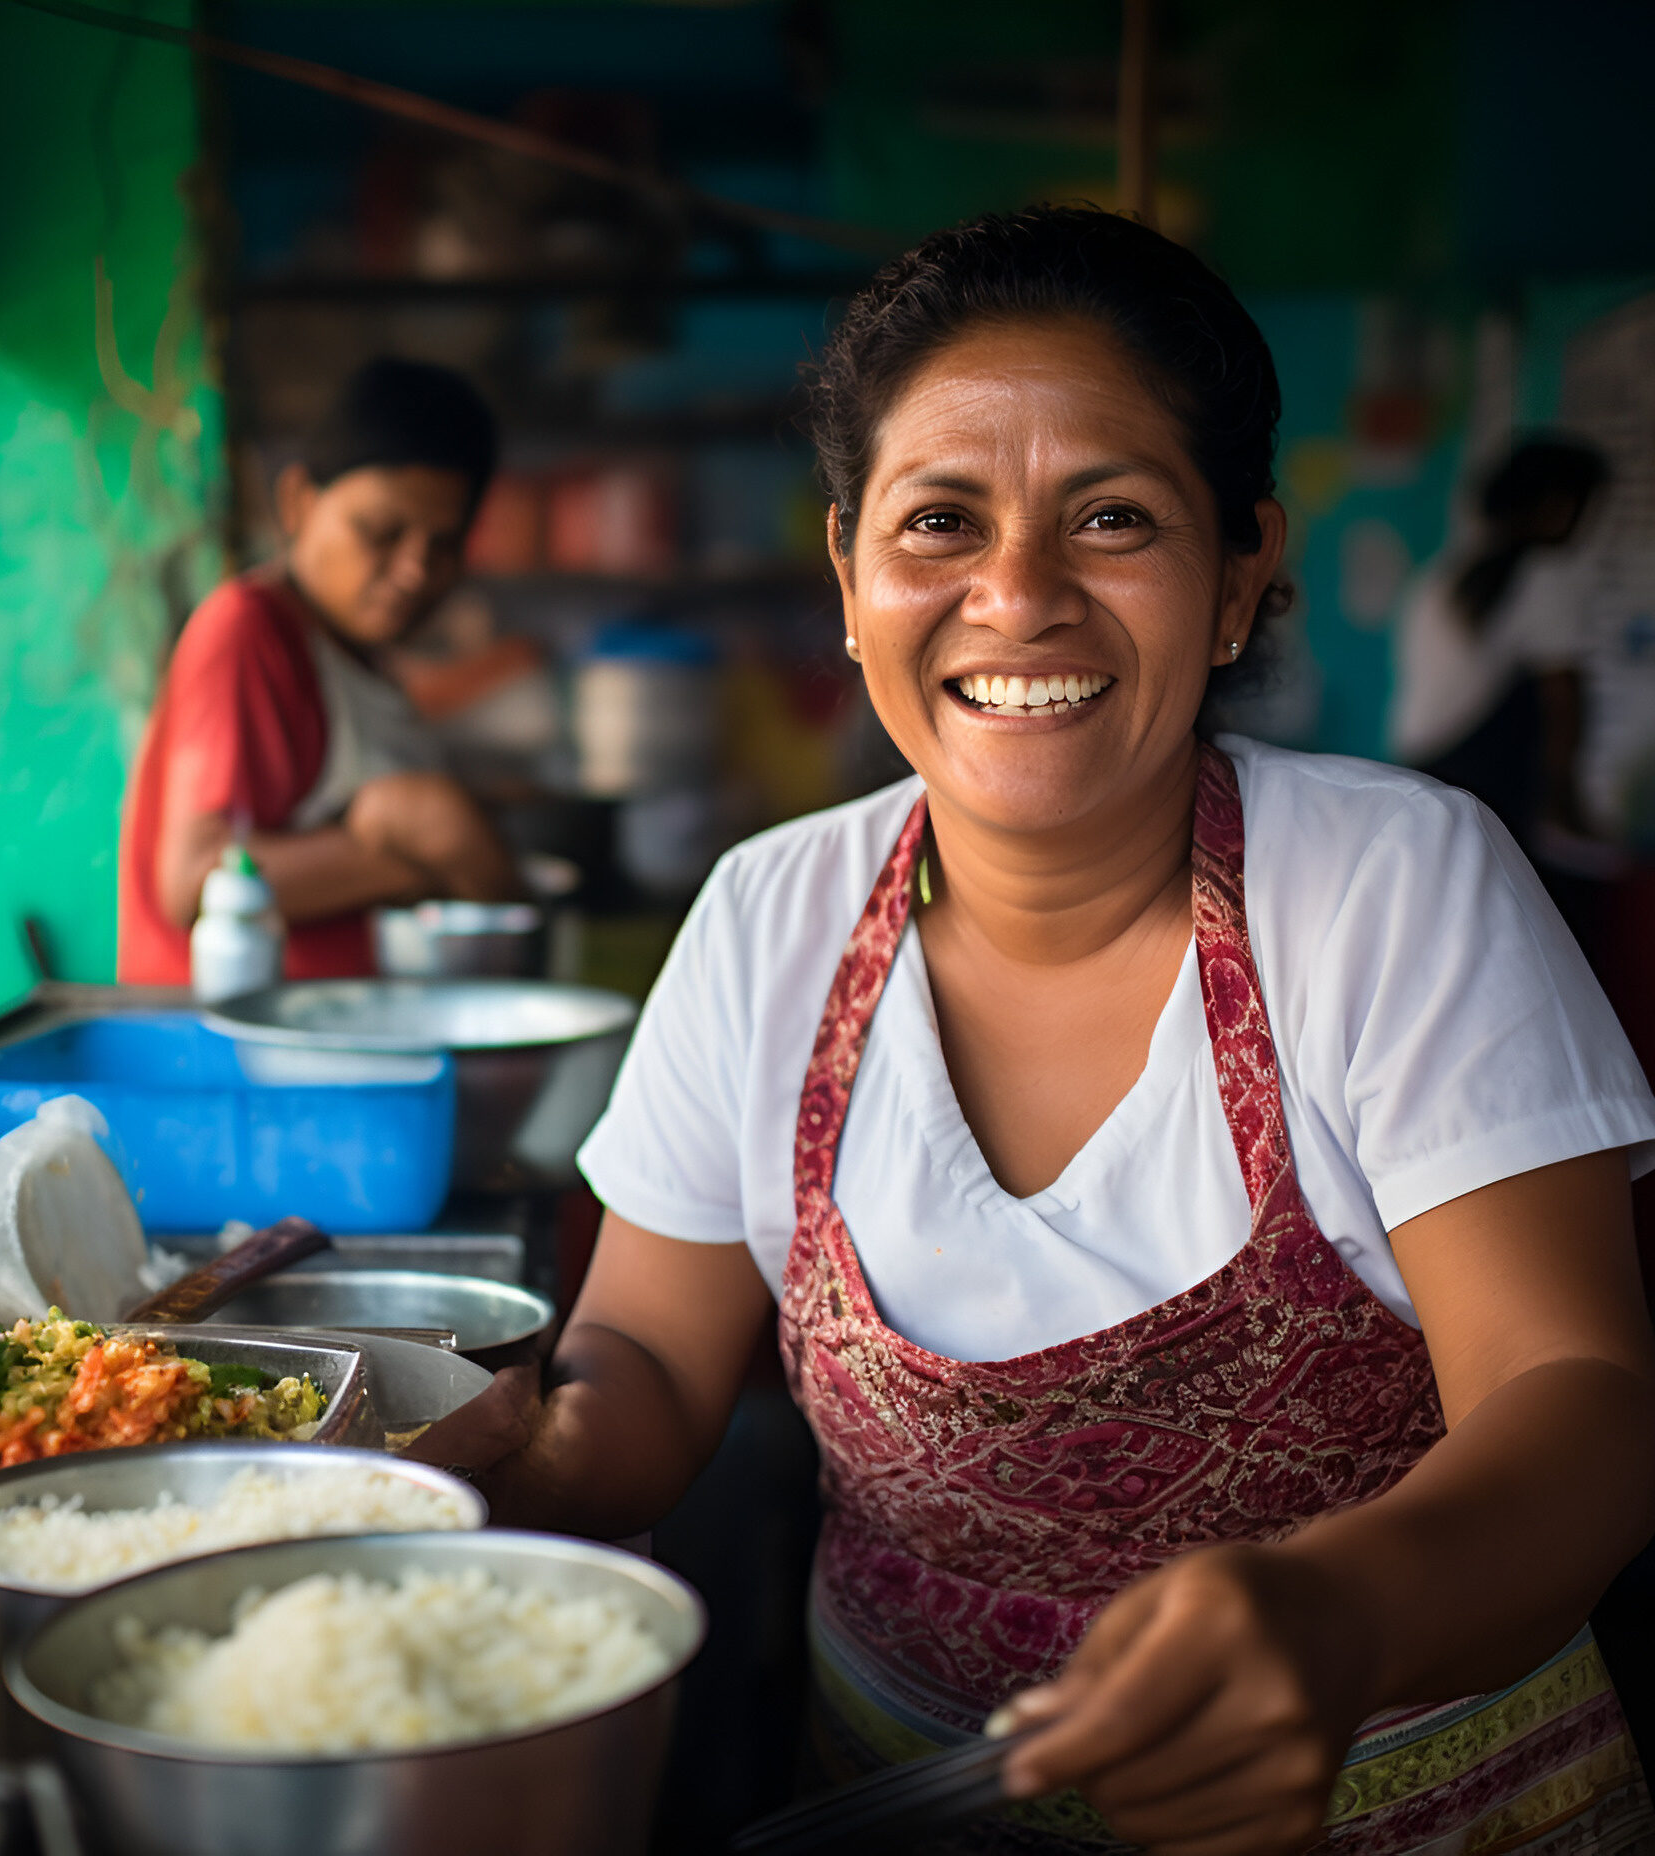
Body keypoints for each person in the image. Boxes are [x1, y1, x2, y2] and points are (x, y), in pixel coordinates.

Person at [414, 208, 1655, 1855]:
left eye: (1115, 517)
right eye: (941, 523)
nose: (1017, 595)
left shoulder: (1391, 886)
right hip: (900, 1802)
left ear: (1236, 581)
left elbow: (1573, 1397)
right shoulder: (767, 916)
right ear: (850, 579)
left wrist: (1341, 1618)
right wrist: (481, 1474)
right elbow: (644, 1352)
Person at [117, 358, 520, 984]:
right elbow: (194, 878)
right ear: (299, 501)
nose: (415, 570)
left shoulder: (365, 660)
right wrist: (421, 849)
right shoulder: (249, 632)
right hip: (240, 1058)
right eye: (382, 532)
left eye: (443, 546)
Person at [1389, 437, 1610, 851]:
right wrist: (1565, 804)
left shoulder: (1442, 574)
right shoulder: (1544, 575)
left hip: (1421, 768)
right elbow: (1562, 699)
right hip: (1483, 783)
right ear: (1556, 506)